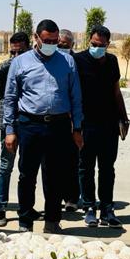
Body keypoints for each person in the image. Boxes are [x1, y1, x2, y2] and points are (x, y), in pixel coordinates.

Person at [2, 19, 83, 233]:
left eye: (55, 41)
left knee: (55, 175)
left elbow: (76, 97)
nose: (51, 45)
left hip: (58, 125)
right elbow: (10, 98)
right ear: (36, 37)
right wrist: (10, 130)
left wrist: (77, 128)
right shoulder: (20, 63)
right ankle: (25, 221)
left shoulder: (67, 62)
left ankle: (52, 221)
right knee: (27, 175)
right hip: (29, 125)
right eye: (47, 41)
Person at [75, 25, 128, 228]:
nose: (97, 48)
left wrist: (124, 118)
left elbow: (116, 92)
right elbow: (73, 92)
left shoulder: (112, 61)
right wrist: (75, 125)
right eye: (94, 44)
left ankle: (107, 209)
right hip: (86, 123)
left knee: (107, 168)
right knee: (86, 167)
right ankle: (89, 207)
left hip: (108, 124)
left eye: (101, 45)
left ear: (108, 45)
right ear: (89, 41)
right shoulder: (78, 60)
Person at [0, 31, 29, 227]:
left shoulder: (33, 67)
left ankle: (26, 207)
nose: (16, 56)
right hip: (8, 124)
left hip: (29, 123)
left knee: (27, 169)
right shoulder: (4, 67)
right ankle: (1, 208)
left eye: (20, 52)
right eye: (13, 52)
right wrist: (8, 110)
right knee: (6, 167)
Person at [56, 28, 81, 212]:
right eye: (59, 44)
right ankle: (56, 196)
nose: (61, 47)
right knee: (56, 161)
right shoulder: (52, 59)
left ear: (72, 45)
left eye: (64, 45)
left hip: (73, 118)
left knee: (73, 160)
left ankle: (72, 198)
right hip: (57, 117)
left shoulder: (77, 61)